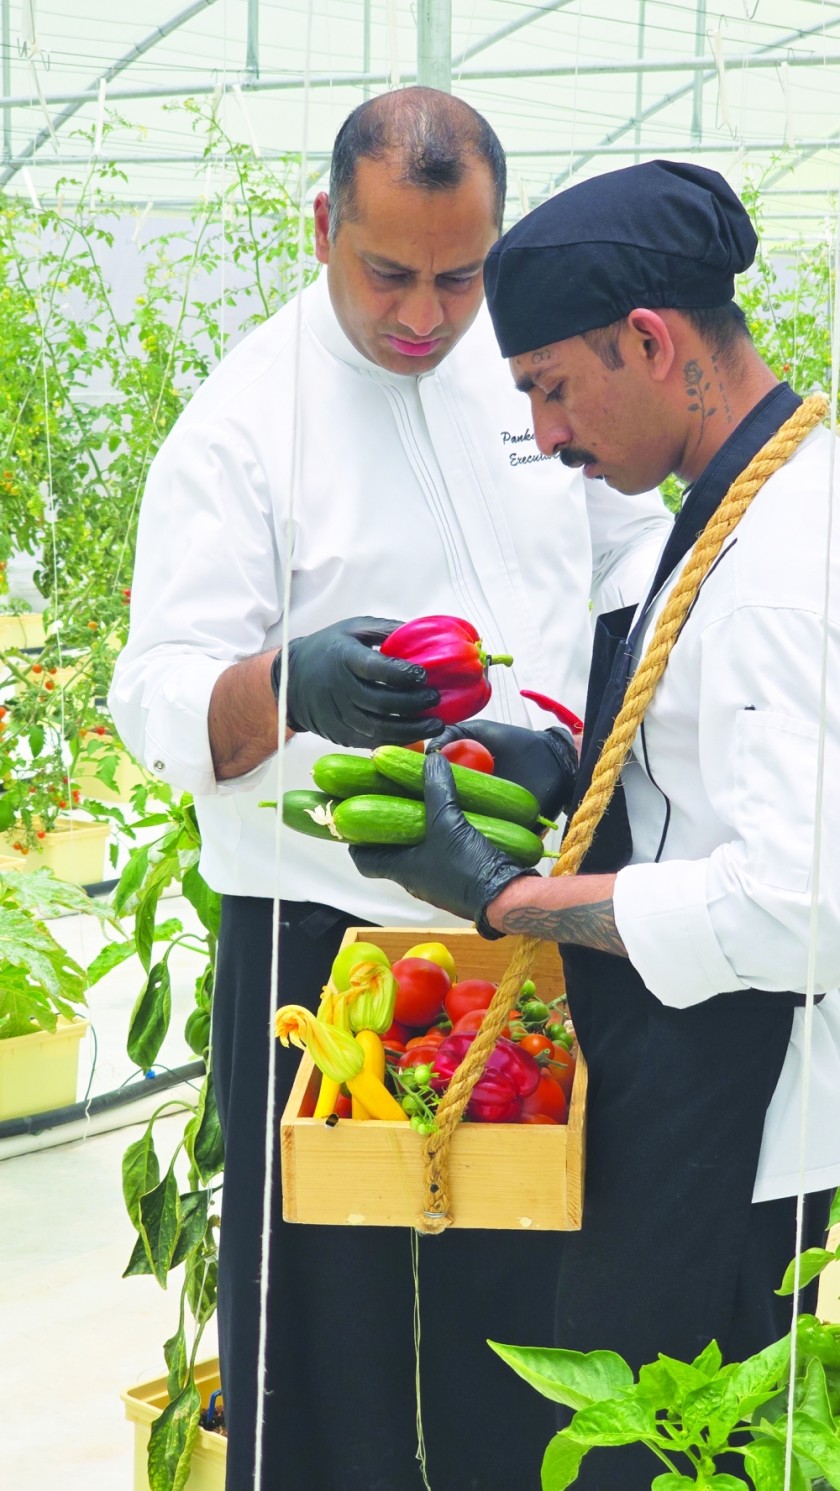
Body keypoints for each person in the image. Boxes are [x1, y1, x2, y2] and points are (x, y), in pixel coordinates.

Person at [109, 91, 672, 1491]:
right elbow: (154, 693)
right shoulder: (241, 428)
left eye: (461, 275)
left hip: (528, 913)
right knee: (321, 1324)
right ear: (324, 229)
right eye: (390, 274)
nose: (427, 315)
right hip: (322, 950)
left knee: (529, 1303)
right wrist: (286, 688)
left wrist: (564, 733)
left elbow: (627, 570)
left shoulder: (532, 378)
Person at [350, 158, 840, 1489]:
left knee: (678, 1455)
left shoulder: (789, 565)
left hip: (742, 1123)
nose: (550, 437)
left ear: (650, 342)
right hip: (690, 1095)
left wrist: (509, 899)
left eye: (551, 389)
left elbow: (796, 906)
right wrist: (570, 766)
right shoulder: (739, 506)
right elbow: (714, 768)